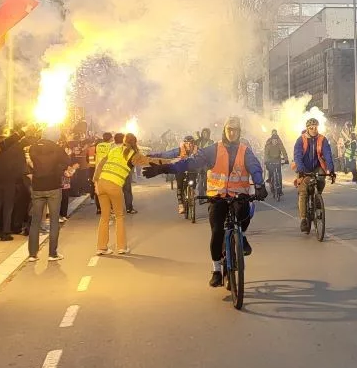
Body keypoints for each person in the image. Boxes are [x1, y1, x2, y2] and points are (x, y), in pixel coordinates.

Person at [143, 116, 266, 287]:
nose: (232, 133)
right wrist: (163, 168)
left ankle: (242, 236)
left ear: (239, 132)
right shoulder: (213, 149)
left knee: (244, 214)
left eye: (235, 130)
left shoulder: (245, 151)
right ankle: (216, 270)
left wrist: (259, 184)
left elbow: (254, 166)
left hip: (239, 195)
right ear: (224, 130)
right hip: (217, 197)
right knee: (217, 232)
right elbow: (190, 163)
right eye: (229, 129)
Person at [92, 133, 136, 256]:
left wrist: (96, 184)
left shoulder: (114, 150)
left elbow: (100, 165)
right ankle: (121, 247)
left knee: (104, 217)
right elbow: (150, 161)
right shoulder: (133, 154)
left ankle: (101, 247)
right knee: (119, 216)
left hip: (101, 183)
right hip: (114, 185)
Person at [27, 130, 67, 261]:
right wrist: (58, 170)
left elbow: (30, 162)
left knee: (35, 221)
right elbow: (67, 161)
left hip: (38, 186)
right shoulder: (57, 148)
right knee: (54, 220)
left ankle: (32, 254)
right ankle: (52, 253)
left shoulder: (33, 147)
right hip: (53, 186)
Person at [292, 118, 335, 233]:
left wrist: (331, 169)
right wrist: (300, 170)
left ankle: (317, 196)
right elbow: (297, 156)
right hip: (304, 168)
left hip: (317, 166)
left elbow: (328, 154)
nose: (314, 129)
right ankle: (303, 219)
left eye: (316, 127)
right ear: (307, 129)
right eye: (311, 127)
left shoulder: (322, 139)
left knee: (321, 177)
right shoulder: (300, 140)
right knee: (303, 192)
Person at [263, 130, 288, 200]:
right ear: (272, 140)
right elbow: (266, 154)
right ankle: (271, 181)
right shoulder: (268, 144)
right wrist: (266, 161)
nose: (275, 141)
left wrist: (286, 159)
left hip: (277, 159)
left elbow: (284, 151)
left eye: (276, 140)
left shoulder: (279, 143)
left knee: (279, 174)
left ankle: (279, 190)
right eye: (274, 140)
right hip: (270, 160)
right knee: (271, 171)